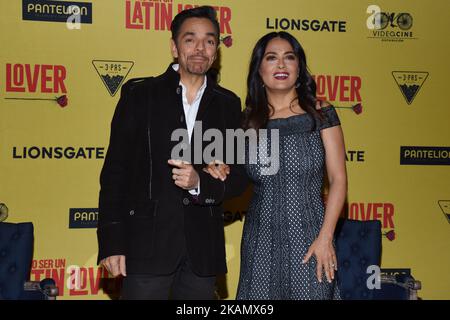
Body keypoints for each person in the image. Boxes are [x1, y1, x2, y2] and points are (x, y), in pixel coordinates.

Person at [96, 6, 247, 300]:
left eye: (210, 40)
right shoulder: (140, 95)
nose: (200, 48)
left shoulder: (228, 104)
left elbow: (238, 178)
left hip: (202, 252)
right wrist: (112, 241)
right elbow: (115, 172)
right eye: (190, 39)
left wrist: (202, 183)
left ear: (217, 49)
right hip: (145, 246)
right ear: (174, 47)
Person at [205, 31, 347, 299]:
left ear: (299, 68)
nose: (281, 65)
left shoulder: (320, 113)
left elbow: (338, 179)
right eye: (272, 58)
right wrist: (218, 169)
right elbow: (230, 172)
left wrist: (326, 238)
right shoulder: (246, 122)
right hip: (260, 242)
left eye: (289, 58)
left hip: (311, 237)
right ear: (259, 69)